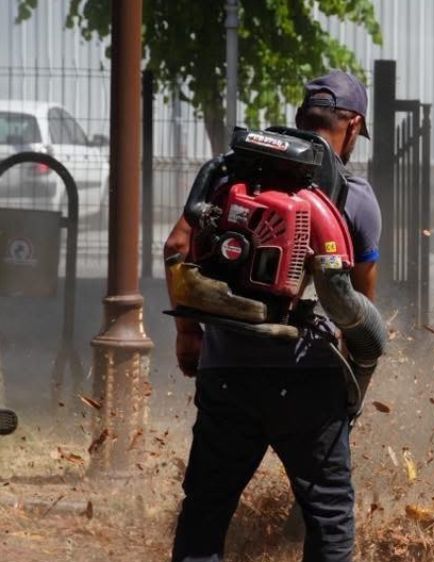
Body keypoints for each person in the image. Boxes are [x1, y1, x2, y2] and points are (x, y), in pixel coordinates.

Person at [165, 70, 382, 562]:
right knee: (328, 516)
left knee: (206, 508)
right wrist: (349, 390)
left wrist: (187, 334)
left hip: (227, 374)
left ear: (303, 118)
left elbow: (177, 245)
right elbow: (358, 309)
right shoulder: (354, 195)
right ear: (352, 125)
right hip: (310, 378)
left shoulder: (228, 174)